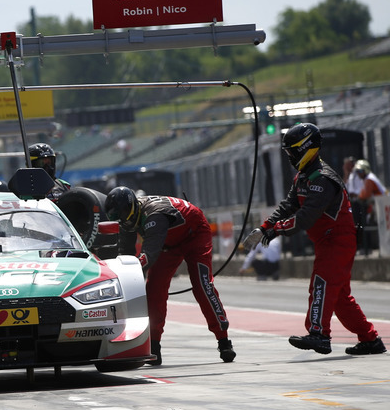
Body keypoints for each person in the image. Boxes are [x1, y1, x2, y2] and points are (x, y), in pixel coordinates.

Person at [243, 123, 385, 356]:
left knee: (321, 283)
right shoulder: (303, 176)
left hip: (337, 240)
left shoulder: (323, 179)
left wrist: (273, 231)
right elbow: (288, 206)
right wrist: (263, 227)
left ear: (306, 148)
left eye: (292, 151)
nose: (289, 156)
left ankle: (319, 335)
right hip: (327, 241)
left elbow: (305, 217)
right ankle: (370, 340)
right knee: (339, 298)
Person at [104, 186, 235, 365]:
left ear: (133, 207)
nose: (123, 219)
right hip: (167, 244)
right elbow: (125, 255)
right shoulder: (126, 221)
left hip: (195, 235)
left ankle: (224, 340)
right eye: (117, 217)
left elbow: (148, 255)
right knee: (154, 290)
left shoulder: (154, 215)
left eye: (124, 213)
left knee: (202, 285)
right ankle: (154, 347)